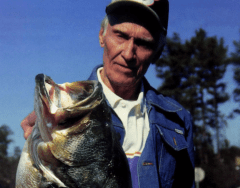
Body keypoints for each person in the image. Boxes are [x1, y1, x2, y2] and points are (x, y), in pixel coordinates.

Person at [21, 0, 195, 187]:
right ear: (102, 36)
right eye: (120, 35)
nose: (128, 53)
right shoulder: (63, 109)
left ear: (157, 52)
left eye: (143, 43)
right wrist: (40, 131)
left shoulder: (177, 120)